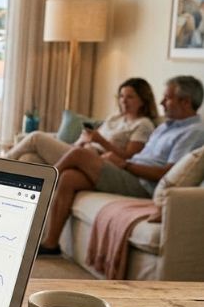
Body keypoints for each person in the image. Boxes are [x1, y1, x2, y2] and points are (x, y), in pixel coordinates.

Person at [40, 75, 204, 255]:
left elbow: (165, 173)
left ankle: (41, 183)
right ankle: (51, 244)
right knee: (68, 178)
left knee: (80, 155)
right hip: (130, 172)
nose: (162, 102)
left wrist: (124, 165)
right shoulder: (166, 126)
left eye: (167, 98)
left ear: (185, 101)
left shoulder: (194, 132)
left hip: (142, 184)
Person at [6, 78, 158, 164]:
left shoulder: (143, 124)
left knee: (35, 137)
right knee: (29, 159)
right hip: (79, 149)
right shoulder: (115, 117)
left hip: (95, 161)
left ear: (143, 100)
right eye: (121, 96)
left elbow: (129, 158)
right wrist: (85, 138)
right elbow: (93, 137)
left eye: (130, 97)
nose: (124, 101)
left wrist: (101, 141)